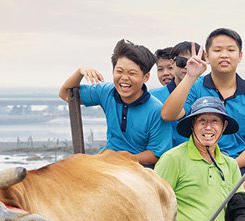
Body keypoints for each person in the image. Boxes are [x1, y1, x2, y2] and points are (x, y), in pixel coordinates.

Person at [161, 28, 245, 203]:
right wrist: (190, 76)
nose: (224, 55)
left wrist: (229, 166)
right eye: (218, 50)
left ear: (240, 56)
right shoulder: (196, 86)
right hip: (195, 160)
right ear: (207, 55)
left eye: (231, 50)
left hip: (238, 163)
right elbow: (169, 114)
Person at [59, 39, 172, 167]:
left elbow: (156, 154)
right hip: (107, 161)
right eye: (119, 71)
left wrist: (121, 159)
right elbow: (65, 94)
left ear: (145, 77)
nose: (124, 77)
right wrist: (80, 71)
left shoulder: (156, 110)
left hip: (138, 169)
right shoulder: (107, 92)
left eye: (132, 73)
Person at [152, 41, 201, 147]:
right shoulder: (153, 96)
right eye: (182, 62)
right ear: (173, 62)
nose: (188, 66)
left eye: (195, 62)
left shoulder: (206, 90)